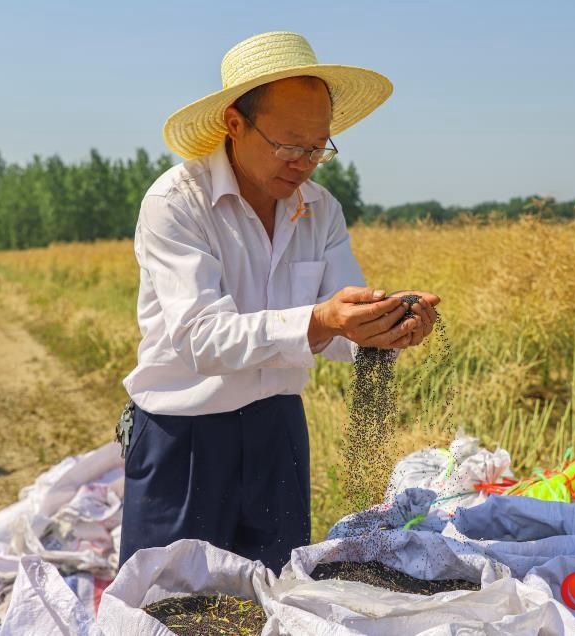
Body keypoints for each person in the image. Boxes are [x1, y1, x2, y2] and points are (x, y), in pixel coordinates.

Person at [118, 31, 440, 571]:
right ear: (235, 124)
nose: (304, 163)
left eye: (319, 147)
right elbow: (203, 340)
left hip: (278, 433)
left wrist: (385, 327)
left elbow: (342, 322)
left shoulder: (321, 209)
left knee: (275, 601)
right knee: (169, 608)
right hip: (185, 439)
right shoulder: (177, 204)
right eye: (289, 145)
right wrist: (321, 319)